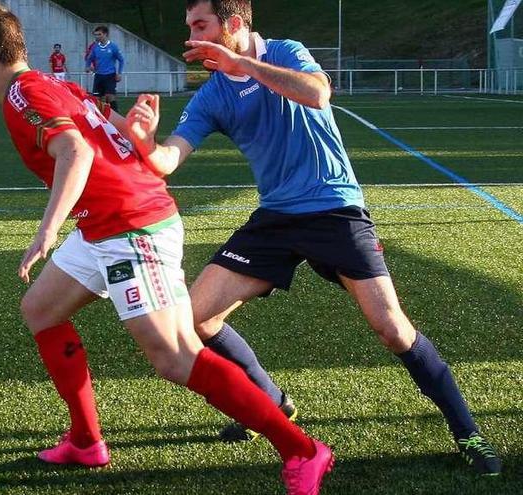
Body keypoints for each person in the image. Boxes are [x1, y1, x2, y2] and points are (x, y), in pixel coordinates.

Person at [0, 3, 334, 494]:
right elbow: (110, 135)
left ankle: (302, 449)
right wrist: (139, 125)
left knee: (175, 357)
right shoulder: (50, 84)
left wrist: (46, 232)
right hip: (104, 224)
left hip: (132, 226)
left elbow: (77, 150)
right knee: (40, 310)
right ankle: (86, 441)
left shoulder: (24, 93)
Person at [126, 0, 502, 477]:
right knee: (195, 319)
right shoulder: (211, 95)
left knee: (391, 328)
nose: (190, 36)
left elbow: (318, 94)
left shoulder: (285, 51)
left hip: (335, 208)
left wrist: (245, 65)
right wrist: (144, 144)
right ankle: (272, 403)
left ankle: (468, 431)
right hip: (276, 217)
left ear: (234, 24)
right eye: (190, 26)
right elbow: (168, 160)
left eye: (200, 24)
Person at [85, 25, 123, 112]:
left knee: (110, 97)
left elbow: (121, 60)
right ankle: (98, 119)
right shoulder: (95, 47)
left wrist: (119, 73)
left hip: (110, 76)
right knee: (96, 99)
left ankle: (116, 116)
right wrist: (87, 66)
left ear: (105, 34)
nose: (97, 37)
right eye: (96, 35)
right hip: (98, 76)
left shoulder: (113, 47)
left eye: (99, 34)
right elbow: (89, 58)